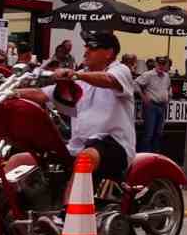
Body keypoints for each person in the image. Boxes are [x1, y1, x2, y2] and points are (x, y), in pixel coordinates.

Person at [17, 32, 135, 195]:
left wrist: (76, 74)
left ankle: (66, 215)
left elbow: (109, 80)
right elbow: (42, 93)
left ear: (109, 52)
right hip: (78, 147)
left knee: (85, 158)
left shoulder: (120, 70)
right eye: (86, 48)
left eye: (92, 48)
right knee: (21, 159)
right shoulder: (81, 82)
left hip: (114, 146)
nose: (85, 52)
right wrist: (9, 93)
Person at [135, 57, 171, 153]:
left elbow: (167, 88)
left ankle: (155, 155)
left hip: (162, 106)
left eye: (163, 64)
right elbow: (135, 83)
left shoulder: (166, 76)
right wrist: (143, 96)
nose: (161, 66)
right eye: (159, 64)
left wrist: (168, 97)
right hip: (152, 106)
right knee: (149, 133)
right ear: (156, 64)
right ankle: (146, 155)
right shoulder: (148, 75)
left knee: (158, 133)